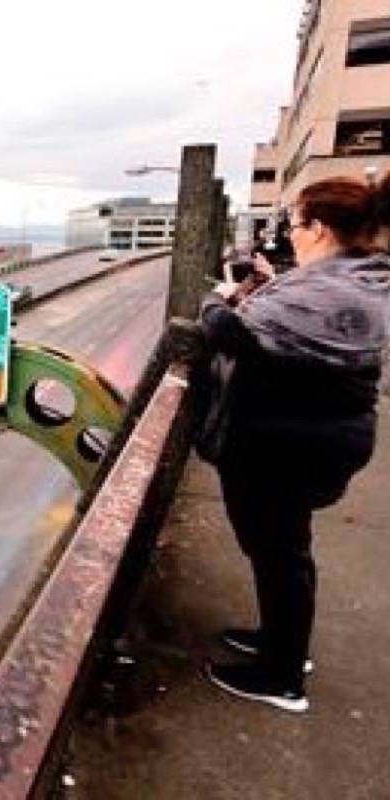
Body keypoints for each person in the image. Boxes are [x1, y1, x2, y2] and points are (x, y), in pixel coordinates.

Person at [199, 174, 390, 712]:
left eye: (295, 224)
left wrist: (215, 300)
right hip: (314, 438)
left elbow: (230, 333)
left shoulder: (328, 291)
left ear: (321, 229)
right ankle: (281, 644)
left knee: (280, 554)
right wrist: (266, 283)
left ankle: (282, 678)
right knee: (284, 551)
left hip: (290, 444)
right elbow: (289, 336)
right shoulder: (359, 278)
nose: (291, 233)